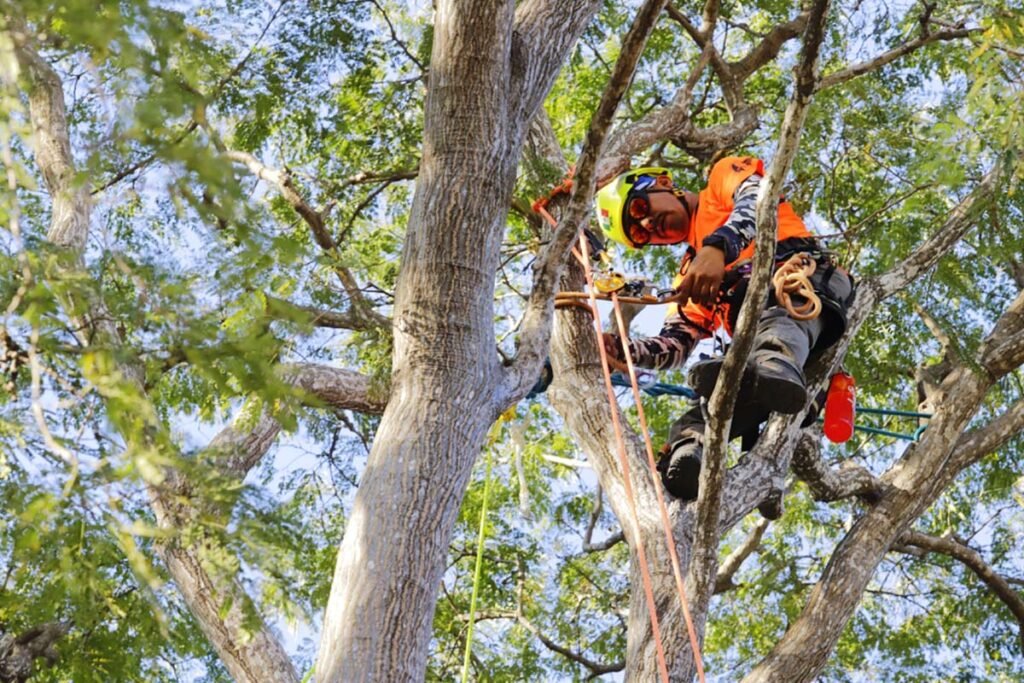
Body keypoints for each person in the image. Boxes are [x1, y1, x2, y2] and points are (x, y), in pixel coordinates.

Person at [594, 156, 854, 502]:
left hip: (802, 286)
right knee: (706, 410)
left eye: (640, 207)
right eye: (640, 232)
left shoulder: (719, 182)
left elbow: (757, 199)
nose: (647, 221)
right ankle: (690, 457)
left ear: (662, 183)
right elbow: (677, 341)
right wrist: (626, 350)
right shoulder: (690, 274)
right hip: (756, 350)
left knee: (776, 325)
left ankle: (776, 363)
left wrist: (717, 249)